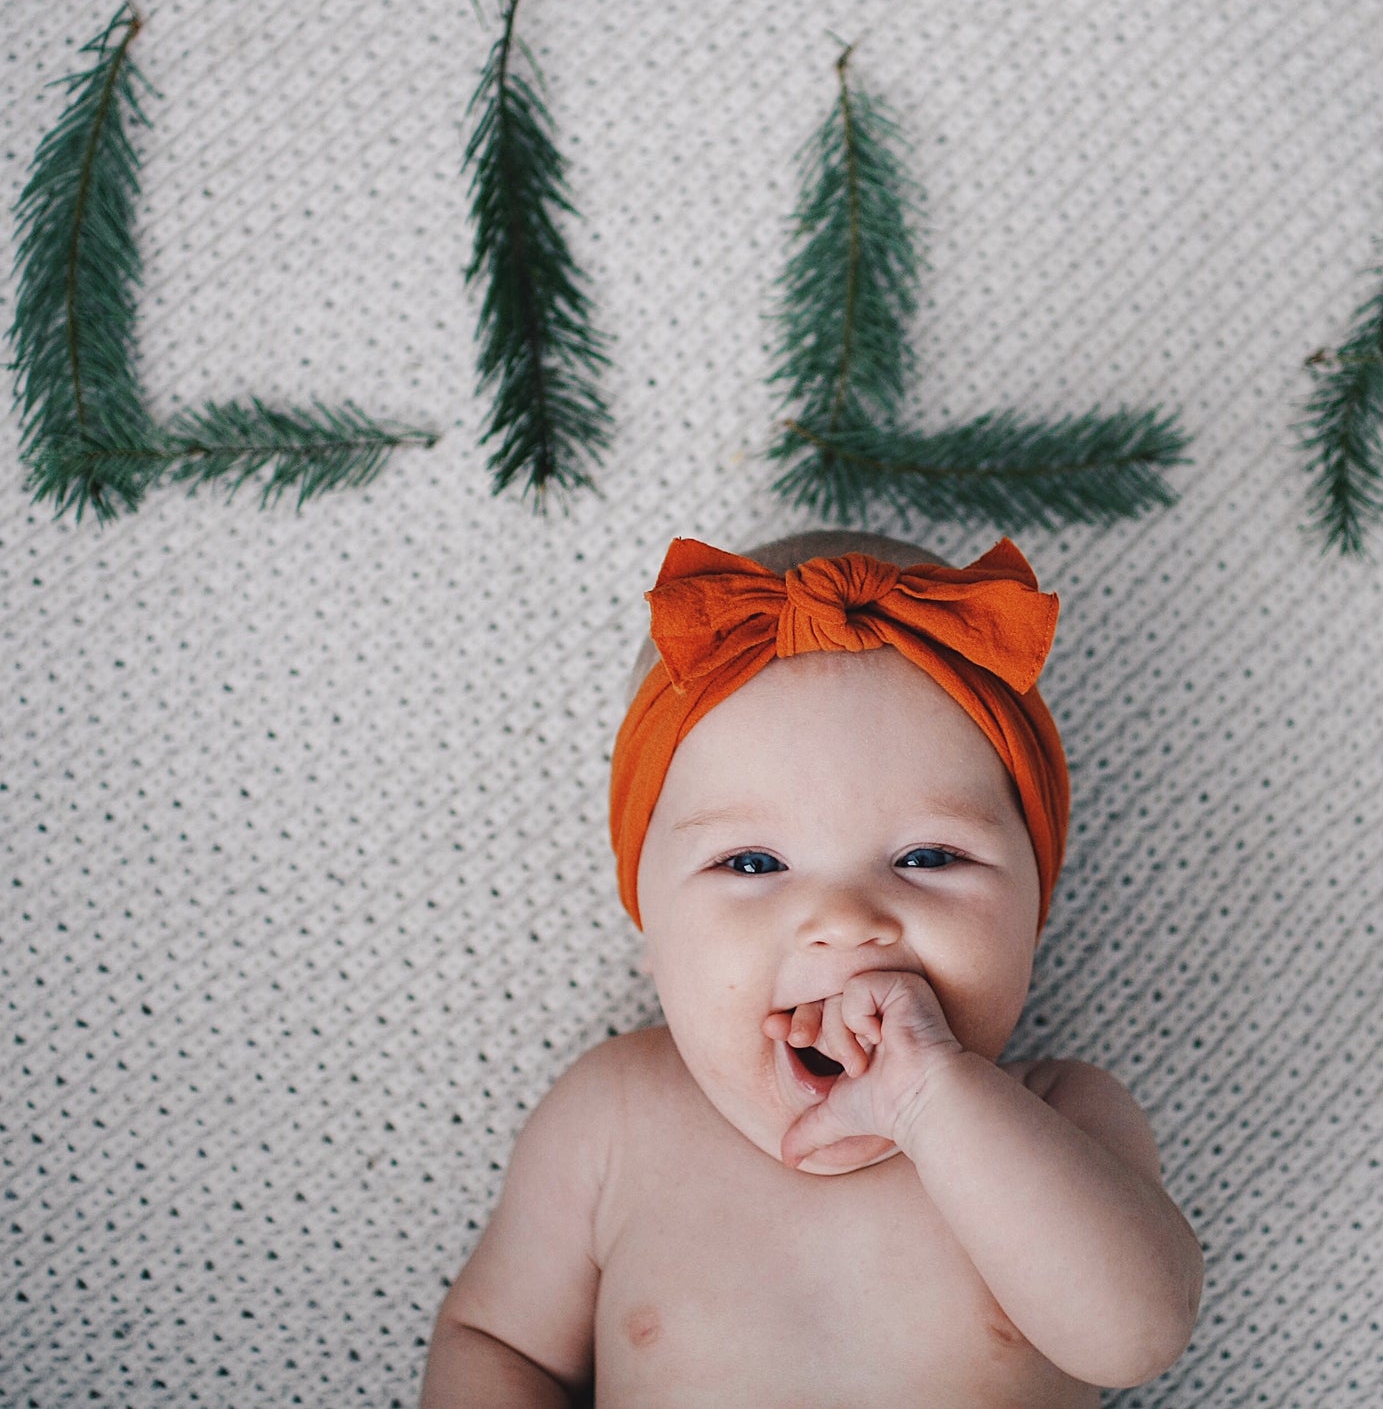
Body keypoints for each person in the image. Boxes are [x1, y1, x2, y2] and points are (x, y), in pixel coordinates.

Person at [421, 529, 1204, 1407]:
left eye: (928, 856)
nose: (844, 922)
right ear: (651, 923)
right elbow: (494, 1340)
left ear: (1034, 910)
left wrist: (933, 1100)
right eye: (752, 864)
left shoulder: (1059, 1116)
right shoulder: (614, 1121)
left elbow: (1135, 1334)